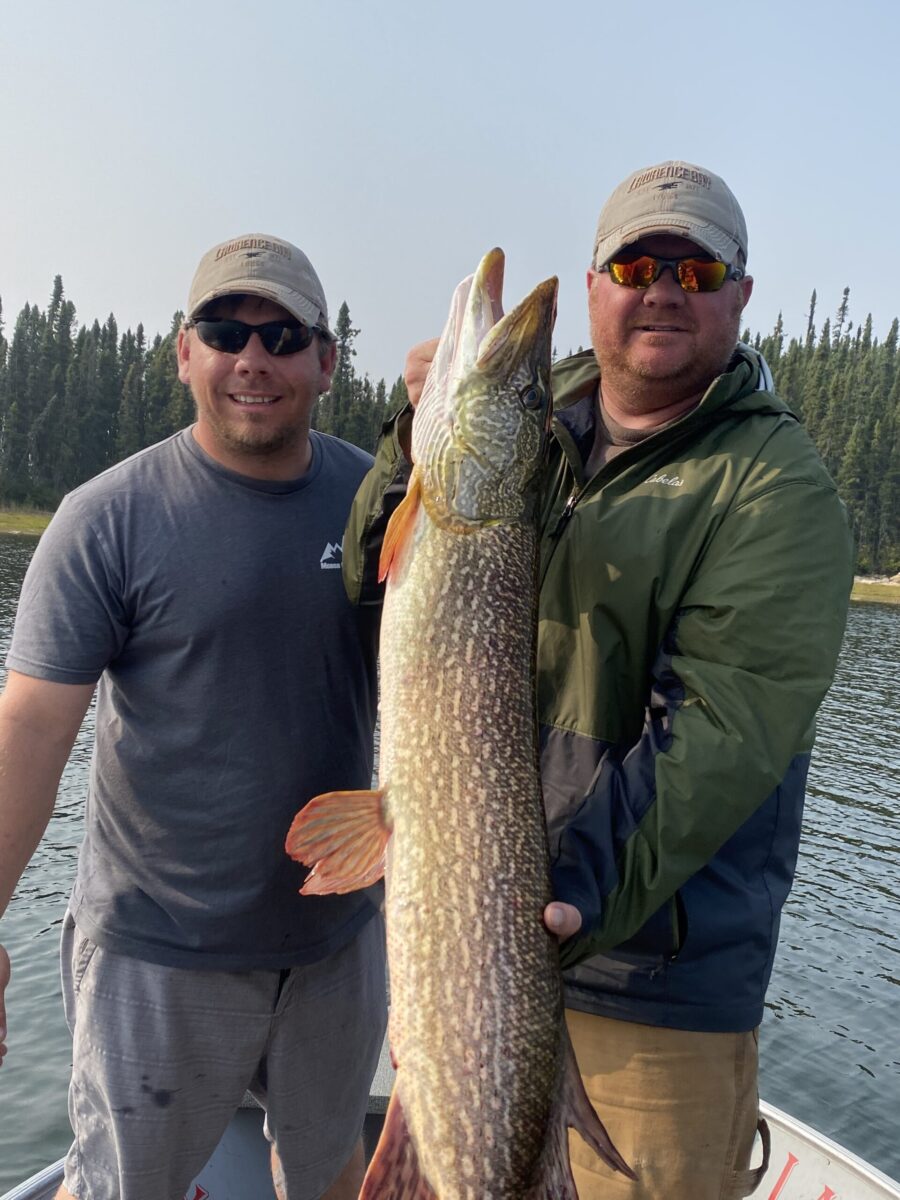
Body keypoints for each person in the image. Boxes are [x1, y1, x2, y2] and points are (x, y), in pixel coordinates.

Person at [342, 162, 854, 1198]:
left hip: (650, 991)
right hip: (476, 951)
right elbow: (366, 579)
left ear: (741, 295)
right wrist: (411, 447)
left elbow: (719, 734)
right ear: (593, 286)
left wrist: (553, 902)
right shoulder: (541, 424)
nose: (661, 289)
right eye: (634, 266)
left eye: (695, 270)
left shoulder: (773, 488)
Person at [0, 233, 387, 1200]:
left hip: (335, 945)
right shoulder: (106, 518)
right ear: (184, 353)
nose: (252, 358)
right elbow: (30, 734)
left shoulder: (376, 506)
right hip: (158, 953)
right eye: (224, 331)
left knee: (334, 1173)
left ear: (326, 362)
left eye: (283, 336)